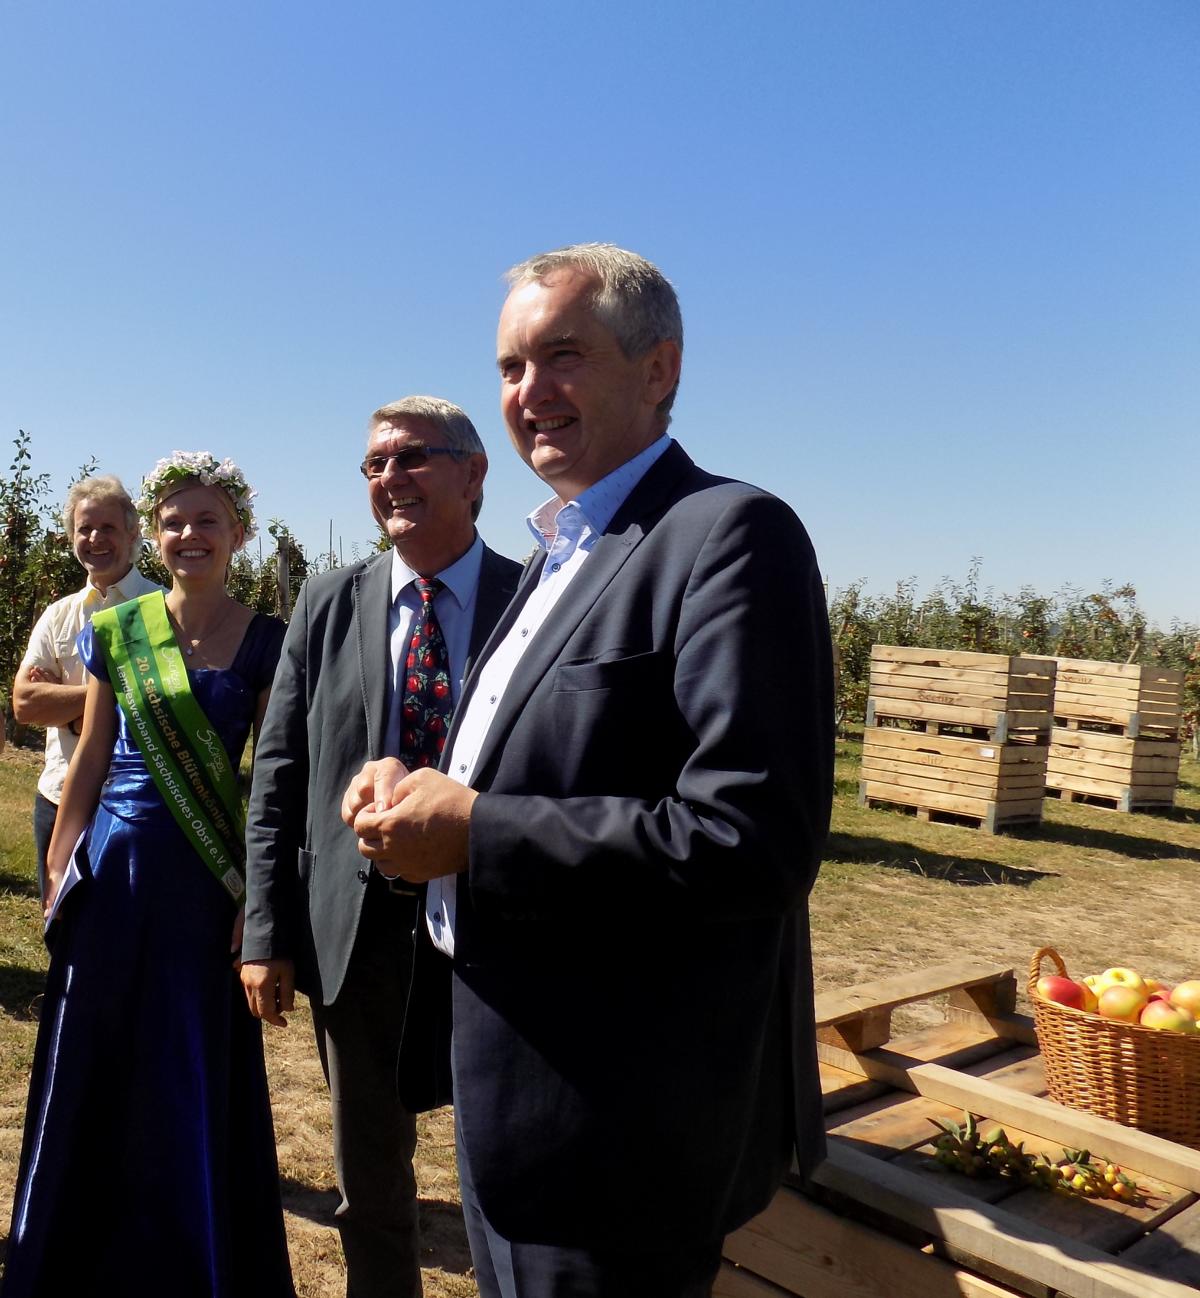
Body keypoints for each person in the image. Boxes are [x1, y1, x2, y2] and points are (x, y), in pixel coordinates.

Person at [342, 244, 834, 1298]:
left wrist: (476, 830)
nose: (529, 393)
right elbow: (540, 759)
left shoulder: (727, 536)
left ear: (660, 369)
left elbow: (751, 840)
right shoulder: (563, 552)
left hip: (619, 1131)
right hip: (511, 1099)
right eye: (511, 367)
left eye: (562, 354)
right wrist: (410, 788)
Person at [240, 397, 521, 1298]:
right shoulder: (327, 603)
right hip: (355, 932)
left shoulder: (538, 596)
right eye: (373, 465)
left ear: (474, 474)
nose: (388, 479)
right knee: (371, 1181)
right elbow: (279, 771)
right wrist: (264, 932)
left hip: (495, 928)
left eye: (412, 458)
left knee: (510, 1168)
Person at [4, 452, 295, 1298]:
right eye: (174, 521)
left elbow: (273, 781)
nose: (188, 535)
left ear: (238, 533)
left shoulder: (270, 639)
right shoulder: (114, 632)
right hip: (113, 878)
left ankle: (193, 1256)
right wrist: (60, 873)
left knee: (186, 1067)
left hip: (205, 886)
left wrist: (261, 902)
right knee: (94, 1061)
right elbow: (88, 762)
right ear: (154, 535)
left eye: (208, 521)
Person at [11, 474, 162, 904]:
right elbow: (24, 703)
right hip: (58, 798)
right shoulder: (58, 615)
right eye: (84, 528)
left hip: (135, 803)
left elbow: (158, 709)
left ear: (133, 533)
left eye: (108, 528)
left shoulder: (162, 609)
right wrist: (110, 697)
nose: (95, 538)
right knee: (59, 927)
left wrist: (66, 703)